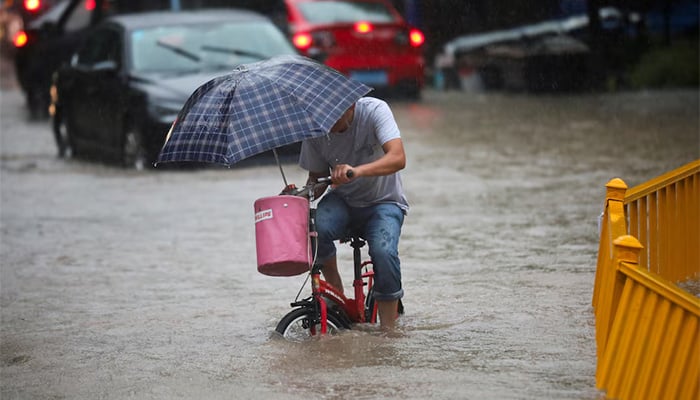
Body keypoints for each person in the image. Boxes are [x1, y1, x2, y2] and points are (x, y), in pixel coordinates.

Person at [298, 96, 408, 331]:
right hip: (343, 201)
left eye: (330, 117)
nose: (325, 124)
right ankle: (335, 288)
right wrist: (300, 194)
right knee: (315, 227)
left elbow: (398, 158)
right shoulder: (315, 130)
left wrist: (356, 171)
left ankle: (389, 330)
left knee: (383, 250)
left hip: (384, 202)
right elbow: (316, 179)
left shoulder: (376, 110)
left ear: (350, 106)